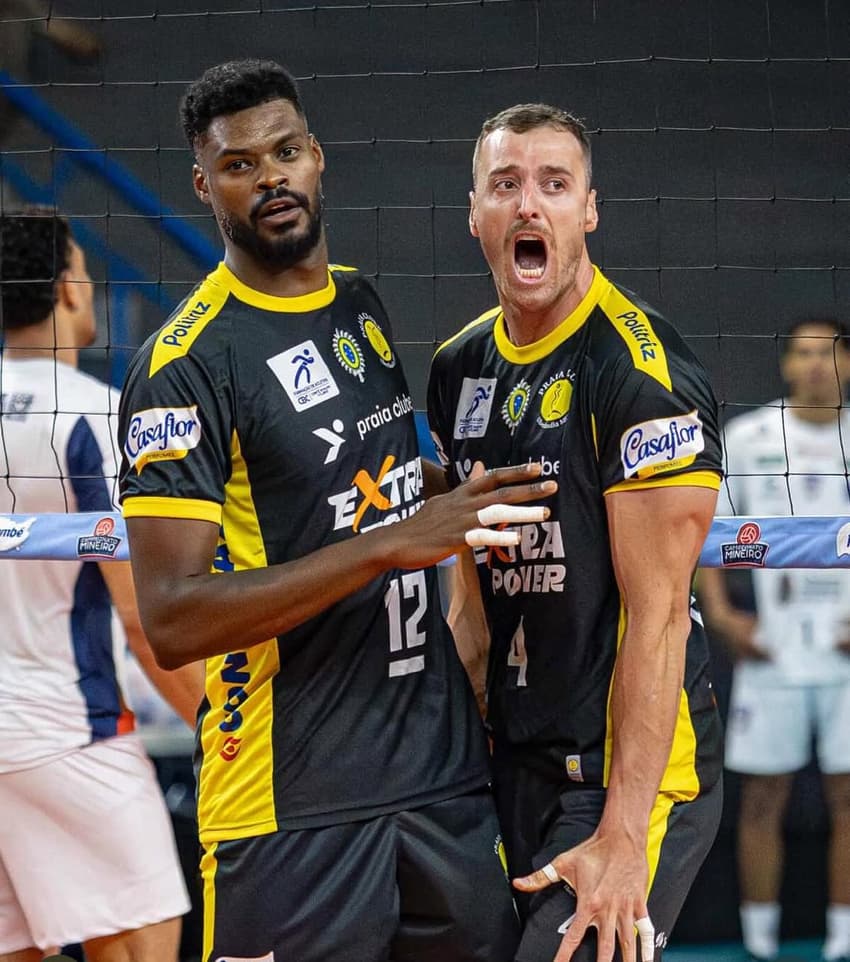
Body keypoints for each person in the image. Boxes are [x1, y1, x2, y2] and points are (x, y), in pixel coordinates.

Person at [117, 59, 555, 962]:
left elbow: (378, 485)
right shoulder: (184, 366)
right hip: (289, 805)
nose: (270, 177)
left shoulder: (358, 303)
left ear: (319, 157)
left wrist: (472, 502)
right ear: (204, 184)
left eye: (286, 151)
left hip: (440, 781)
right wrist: (397, 545)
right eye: (240, 164)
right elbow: (171, 618)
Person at [427, 103, 725, 962]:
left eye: (555, 185)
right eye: (507, 185)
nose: (530, 205)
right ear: (475, 212)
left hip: (630, 777)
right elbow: (471, 593)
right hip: (516, 761)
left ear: (588, 210)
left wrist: (625, 835)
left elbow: (661, 615)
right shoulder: (459, 367)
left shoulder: (639, 375)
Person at [0, 209, 202, 962]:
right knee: (146, 945)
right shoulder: (93, 414)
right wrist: (221, 731)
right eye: (83, 273)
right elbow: (146, 619)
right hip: (69, 733)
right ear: (64, 293)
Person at [698, 319, 850, 962]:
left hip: (847, 653)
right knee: (761, 797)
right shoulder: (750, 436)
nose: (817, 366)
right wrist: (727, 619)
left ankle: (842, 940)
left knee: (849, 796)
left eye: (830, 354)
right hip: (771, 649)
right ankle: (759, 943)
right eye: (805, 354)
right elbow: (702, 533)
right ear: (787, 364)